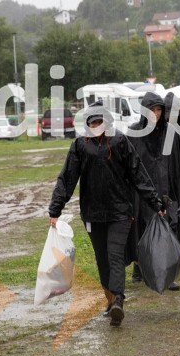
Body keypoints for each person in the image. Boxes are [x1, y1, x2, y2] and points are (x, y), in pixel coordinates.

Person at [48, 100, 166, 327]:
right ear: (87, 124)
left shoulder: (120, 141)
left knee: (114, 255)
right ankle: (110, 300)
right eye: (93, 122)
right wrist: (56, 208)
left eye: (100, 121)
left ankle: (118, 301)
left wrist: (156, 202)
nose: (97, 126)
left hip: (120, 211)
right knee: (102, 259)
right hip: (93, 214)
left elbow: (138, 174)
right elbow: (67, 178)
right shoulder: (80, 146)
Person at [129, 92, 180, 289]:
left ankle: (166, 274)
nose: (156, 114)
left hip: (166, 192)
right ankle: (140, 268)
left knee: (168, 231)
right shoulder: (134, 135)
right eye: (152, 110)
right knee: (143, 231)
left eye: (159, 109)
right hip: (141, 195)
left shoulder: (170, 133)